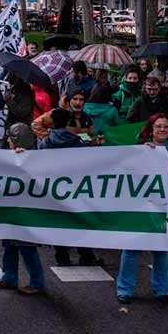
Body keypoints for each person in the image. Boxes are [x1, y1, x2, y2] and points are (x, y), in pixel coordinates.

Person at [116, 114, 168, 304]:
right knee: (132, 248)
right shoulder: (141, 150)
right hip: (141, 208)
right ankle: (125, 290)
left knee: (161, 250)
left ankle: (161, 290)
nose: (163, 130)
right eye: (158, 126)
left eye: (166, 127)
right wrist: (142, 152)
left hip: (166, 209)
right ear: (151, 129)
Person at [38, 108, 104, 267]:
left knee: (59, 222)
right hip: (75, 188)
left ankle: (62, 256)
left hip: (54, 188)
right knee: (79, 221)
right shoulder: (77, 142)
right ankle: (86, 255)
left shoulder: (46, 143)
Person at [0, 123, 45, 295]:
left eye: (10, 139)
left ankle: (37, 282)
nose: (7, 141)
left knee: (26, 247)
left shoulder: (35, 159)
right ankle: (9, 276)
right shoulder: (9, 156)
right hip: (12, 209)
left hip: (26, 211)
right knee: (9, 245)